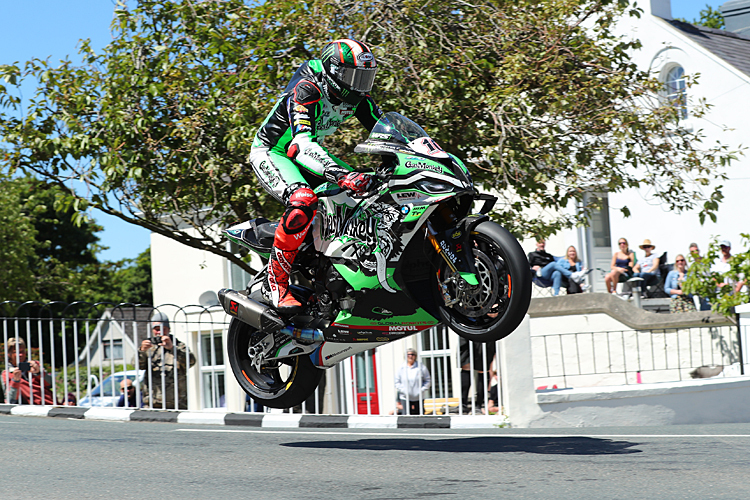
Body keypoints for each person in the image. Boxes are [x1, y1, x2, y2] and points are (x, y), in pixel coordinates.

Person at [250, 38, 383, 311]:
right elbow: (300, 146)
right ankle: (274, 284)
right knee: (303, 201)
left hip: (309, 152)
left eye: (364, 78)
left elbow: (387, 132)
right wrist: (340, 175)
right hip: (275, 151)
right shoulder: (306, 89)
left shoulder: (359, 98)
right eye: (352, 76)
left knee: (370, 192)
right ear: (333, 72)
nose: (358, 85)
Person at [138, 311, 196, 410]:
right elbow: (137, 365)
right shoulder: (149, 348)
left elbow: (191, 361)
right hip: (152, 403)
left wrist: (172, 349)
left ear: (168, 329)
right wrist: (142, 351)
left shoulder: (179, 346)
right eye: (156, 329)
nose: (159, 332)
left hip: (177, 403)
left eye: (162, 329)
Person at [1, 337, 55, 405]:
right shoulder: (6, 374)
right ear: (9, 354)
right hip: (27, 407)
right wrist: (15, 381)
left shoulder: (35, 365)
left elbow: (51, 384)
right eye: (16, 352)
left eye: (22, 351)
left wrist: (39, 373)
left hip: (49, 403)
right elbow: (10, 400)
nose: (21, 354)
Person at [459, 337, 496, 414]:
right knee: (466, 365)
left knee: (483, 368)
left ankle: (478, 405)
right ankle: (463, 404)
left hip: (483, 332)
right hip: (467, 330)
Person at [394, 348, 431, 415]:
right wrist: (403, 390)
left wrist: (421, 390)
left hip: (418, 397)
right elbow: (397, 382)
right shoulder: (401, 368)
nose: (410, 356)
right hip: (405, 397)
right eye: (408, 355)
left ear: (415, 356)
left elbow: (427, 380)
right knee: (406, 415)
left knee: (419, 415)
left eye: (412, 354)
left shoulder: (421, 367)